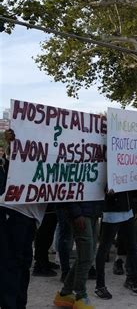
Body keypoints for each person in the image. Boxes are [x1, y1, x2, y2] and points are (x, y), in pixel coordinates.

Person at [0, 129, 48, 309]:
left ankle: (19, 305)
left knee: (23, 264)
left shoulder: (51, 156)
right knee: (11, 265)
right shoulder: (23, 153)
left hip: (31, 216)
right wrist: (12, 143)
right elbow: (14, 161)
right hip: (12, 212)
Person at [94, 188, 137, 300]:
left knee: (132, 248)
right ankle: (100, 286)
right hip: (112, 211)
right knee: (103, 249)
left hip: (127, 210)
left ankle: (135, 282)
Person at [53, 195, 102, 308]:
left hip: (92, 210)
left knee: (86, 255)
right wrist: (76, 213)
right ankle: (80, 295)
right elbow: (67, 186)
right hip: (80, 212)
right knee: (86, 256)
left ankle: (65, 293)